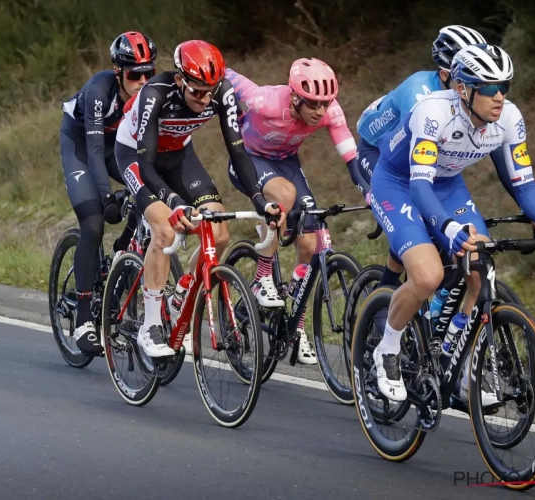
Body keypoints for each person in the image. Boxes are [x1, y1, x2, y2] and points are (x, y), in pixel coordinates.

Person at [367, 44, 535, 403]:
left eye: (505, 87)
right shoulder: (432, 111)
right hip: (400, 183)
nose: (500, 97)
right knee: (429, 275)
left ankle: (460, 362)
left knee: (480, 268)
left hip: (447, 186)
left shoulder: (509, 118)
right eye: (490, 88)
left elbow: (522, 180)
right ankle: (387, 348)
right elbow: (419, 185)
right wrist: (447, 228)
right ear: (463, 88)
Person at [114, 40, 284, 357]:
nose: (205, 98)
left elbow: (238, 152)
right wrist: (174, 201)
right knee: (165, 230)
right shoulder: (156, 93)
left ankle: (181, 295)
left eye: (211, 90)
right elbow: (147, 164)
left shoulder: (222, 93)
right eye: (197, 92)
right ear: (180, 79)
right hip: (136, 157)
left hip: (179, 155)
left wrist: (260, 201)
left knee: (218, 233)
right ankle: (150, 326)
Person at [225, 58, 360, 365]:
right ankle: (261, 278)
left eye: (325, 104)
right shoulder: (268, 100)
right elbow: (226, 74)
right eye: (313, 104)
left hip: (286, 162)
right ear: (295, 97)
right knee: (284, 195)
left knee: (315, 243)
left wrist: (366, 186)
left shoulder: (328, 110)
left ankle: (296, 327)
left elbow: (350, 154)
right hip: (248, 161)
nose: (320, 112)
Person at [354, 25, 498, 291]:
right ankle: (383, 295)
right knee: (417, 221)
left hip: (411, 157)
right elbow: (407, 156)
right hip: (378, 152)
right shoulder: (423, 94)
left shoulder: (461, 99)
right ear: (446, 74)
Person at [60, 31, 158, 355]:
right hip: (82, 148)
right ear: (119, 72)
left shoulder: (151, 96)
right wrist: (105, 198)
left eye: (149, 73)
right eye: (135, 74)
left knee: (148, 200)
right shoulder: (98, 92)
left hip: (116, 149)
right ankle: (84, 318)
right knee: (93, 223)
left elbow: (151, 153)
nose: (143, 80)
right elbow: (94, 150)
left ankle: (121, 258)